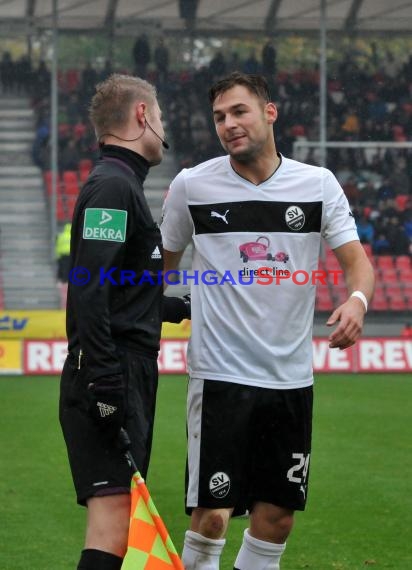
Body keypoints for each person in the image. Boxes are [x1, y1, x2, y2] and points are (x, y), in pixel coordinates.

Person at [161, 72, 375, 570]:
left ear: (269, 112)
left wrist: (358, 300)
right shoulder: (192, 185)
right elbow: (161, 270)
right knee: (212, 514)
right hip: (219, 377)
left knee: (277, 516)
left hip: (290, 379)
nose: (229, 124)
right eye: (219, 117)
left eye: (239, 112)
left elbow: (356, 262)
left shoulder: (317, 184)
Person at [59, 74, 189, 570]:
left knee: (116, 526)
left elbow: (116, 289)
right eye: (159, 117)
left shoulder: (122, 184)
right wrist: (106, 380)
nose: (162, 126)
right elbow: (90, 287)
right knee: (113, 530)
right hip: (111, 374)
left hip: (121, 369)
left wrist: (175, 308)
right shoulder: (113, 186)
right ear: (141, 116)